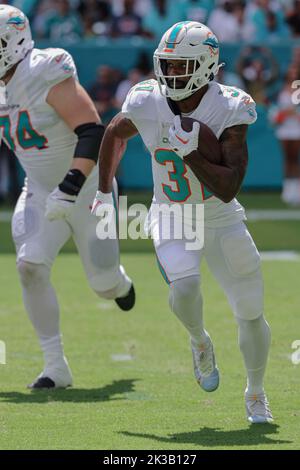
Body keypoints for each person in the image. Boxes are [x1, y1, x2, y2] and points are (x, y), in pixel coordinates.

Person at [92, 21, 273, 424]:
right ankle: (199, 340)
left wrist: (190, 153)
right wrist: (104, 192)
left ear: (207, 66)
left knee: (250, 310)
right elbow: (114, 132)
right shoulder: (145, 102)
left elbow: (228, 186)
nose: (173, 74)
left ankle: (256, 393)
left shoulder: (230, 106)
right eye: (168, 65)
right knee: (186, 287)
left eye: (183, 66)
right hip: (174, 214)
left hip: (222, 216)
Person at [0, 5, 135, 389]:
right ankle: (55, 365)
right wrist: (52, 192)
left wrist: (70, 186)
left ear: (14, 41)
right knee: (29, 267)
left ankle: (121, 284)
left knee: (103, 284)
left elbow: (92, 130)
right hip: (40, 191)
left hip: (89, 191)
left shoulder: (44, 69)